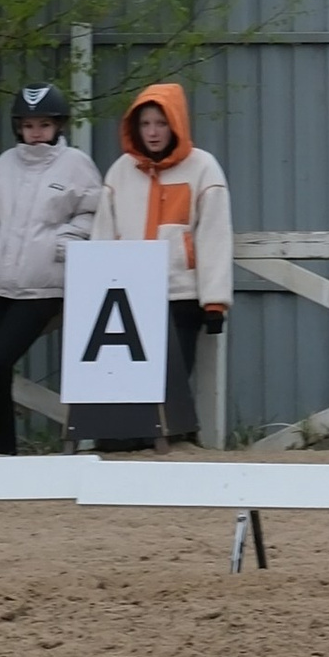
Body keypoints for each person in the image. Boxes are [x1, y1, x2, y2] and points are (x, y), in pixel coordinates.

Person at [88, 79, 233, 451]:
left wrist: (214, 301)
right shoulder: (120, 172)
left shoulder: (204, 169)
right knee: (125, 380)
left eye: (161, 123)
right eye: (145, 124)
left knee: (171, 382)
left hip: (179, 293)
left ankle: (177, 439)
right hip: (126, 296)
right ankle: (119, 441)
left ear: (177, 124)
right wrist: (96, 292)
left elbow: (215, 236)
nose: (153, 132)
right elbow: (103, 234)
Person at [0, 82, 103, 455]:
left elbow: (93, 211)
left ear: (58, 125)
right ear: (18, 127)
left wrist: (68, 242)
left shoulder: (76, 164)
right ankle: (7, 453)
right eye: (28, 125)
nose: (36, 133)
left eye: (43, 124)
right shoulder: (4, 164)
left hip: (41, 286)